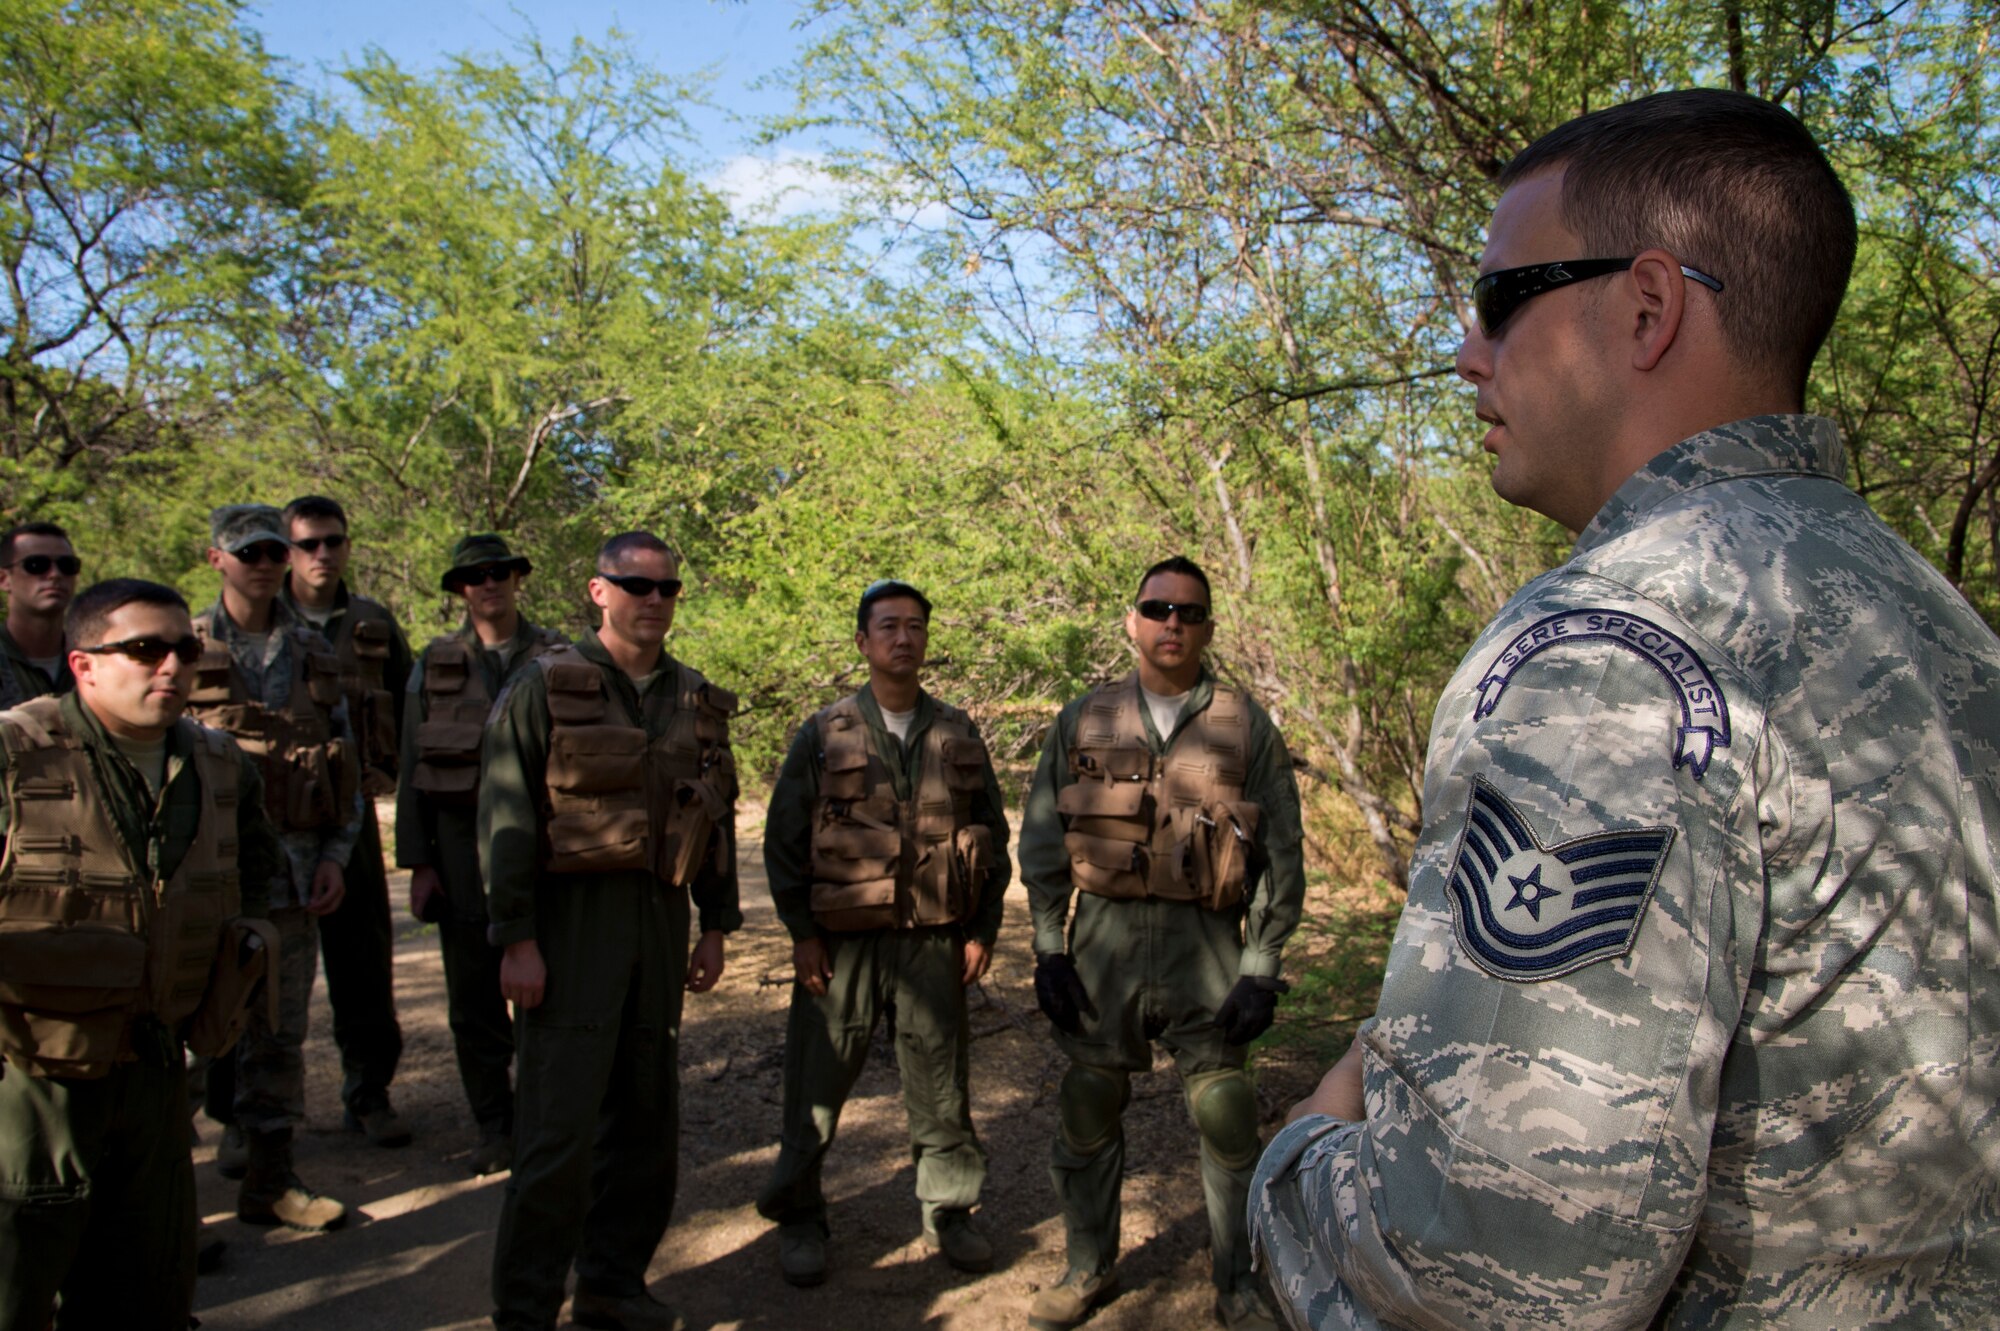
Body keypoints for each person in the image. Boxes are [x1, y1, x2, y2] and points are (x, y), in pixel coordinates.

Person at [1251, 89, 2000, 1329]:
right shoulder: (1936, 622)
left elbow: (1500, 1278)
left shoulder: (1607, 653)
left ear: (1646, 308)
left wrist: (1302, 1155)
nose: (1465, 352)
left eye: (1500, 298)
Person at [1018, 556, 1306, 1331]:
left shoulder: (1244, 724)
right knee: (1087, 1097)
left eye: (1189, 611)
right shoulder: (1084, 716)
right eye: (1158, 608)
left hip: (1206, 948)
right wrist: (1049, 948)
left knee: (1226, 1109)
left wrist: (1262, 965)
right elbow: (1044, 839)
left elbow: (1281, 853)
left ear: (1208, 625)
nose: (1172, 623)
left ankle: (1237, 1282)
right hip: (1103, 947)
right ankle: (1087, 1266)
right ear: (1132, 622)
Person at [0, 578, 285, 1329]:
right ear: (83, 663)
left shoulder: (220, 764)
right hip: (32, 1080)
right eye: (143, 648)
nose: (171, 666)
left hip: (160, 1075)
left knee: (148, 1292)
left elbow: (257, 870)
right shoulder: (14, 751)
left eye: (184, 649)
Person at [481, 531, 741, 1331]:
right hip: (570, 935)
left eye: (668, 588)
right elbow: (507, 818)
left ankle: (611, 1283)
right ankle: (525, 1307)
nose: (654, 600)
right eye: (636, 585)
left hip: (658, 930)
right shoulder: (545, 687)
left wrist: (714, 924)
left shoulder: (695, 697)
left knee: (645, 1127)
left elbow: (715, 816)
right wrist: (516, 938)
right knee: (557, 1136)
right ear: (599, 591)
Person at [756, 579, 1014, 1286]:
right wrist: (802, 933)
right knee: (817, 1080)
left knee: (940, 1082)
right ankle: (801, 1215)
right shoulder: (824, 731)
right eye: (889, 626)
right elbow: (784, 840)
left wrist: (982, 925)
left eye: (916, 627)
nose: (904, 638)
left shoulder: (957, 730)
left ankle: (950, 1212)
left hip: (934, 936)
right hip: (842, 941)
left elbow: (993, 834)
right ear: (863, 641)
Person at [190, 503, 360, 1232]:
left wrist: (334, 858)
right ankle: (161, 1205)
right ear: (216, 559)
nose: (261, 563)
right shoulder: (176, 645)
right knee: (182, 1039)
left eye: (271, 552)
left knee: (279, 1037)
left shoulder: (312, 651)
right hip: (198, 884)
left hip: (291, 879)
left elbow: (343, 768)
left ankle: (268, 1179)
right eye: (246, 552)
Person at [396, 533, 565, 1176]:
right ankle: (494, 1126)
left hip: (542, 854)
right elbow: (413, 764)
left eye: (500, 572)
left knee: (547, 991)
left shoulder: (557, 655)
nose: (489, 584)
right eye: (475, 576)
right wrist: (419, 864)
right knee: (474, 1000)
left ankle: (544, 1121)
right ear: (460, 589)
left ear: (517, 578)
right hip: (461, 855)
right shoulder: (433, 665)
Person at [281, 494, 413, 1148]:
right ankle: (250, 1117)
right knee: (259, 971)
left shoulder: (373, 624)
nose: (322, 554)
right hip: (271, 829)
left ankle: (369, 1092)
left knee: (364, 964)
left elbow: (413, 720)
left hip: (353, 821)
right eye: (308, 543)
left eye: (333, 540)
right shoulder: (246, 627)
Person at [0, 521, 80, 707]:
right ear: (4, 580)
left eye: (67, 565)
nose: (55, 574)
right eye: (36, 565)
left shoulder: (96, 661)